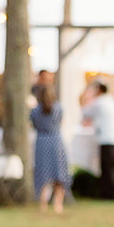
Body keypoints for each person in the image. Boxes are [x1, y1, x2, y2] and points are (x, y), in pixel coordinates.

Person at [30, 83, 71, 212]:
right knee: (59, 172)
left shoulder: (35, 111)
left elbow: (33, 124)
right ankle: (57, 204)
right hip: (55, 141)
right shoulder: (58, 108)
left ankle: (42, 203)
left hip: (41, 142)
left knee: (43, 173)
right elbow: (61, 122)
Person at [82, 80, 114, 199]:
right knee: (111, 168)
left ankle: (108, 194)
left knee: (106, 169)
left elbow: (85, 112)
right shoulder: (112, 101)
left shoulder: (99, 102)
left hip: (106, 139)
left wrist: (86, 98)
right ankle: (111, 193)